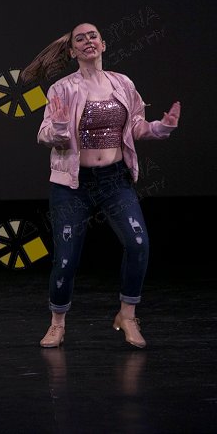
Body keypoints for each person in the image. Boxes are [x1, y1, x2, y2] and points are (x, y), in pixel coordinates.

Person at [21, 22, 181, 349]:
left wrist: (161, 127)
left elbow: (136, 126)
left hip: (114, 180)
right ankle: (57, 323)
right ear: (72, 51)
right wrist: (61, 127)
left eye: (92, 36)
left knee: (138, 243)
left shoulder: (122, 83)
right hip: (73, 185)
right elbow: (44, 135)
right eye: (80, 39)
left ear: (103, 44)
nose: (88, 41)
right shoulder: (62, 89)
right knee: (66, 259)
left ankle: (127, 315)